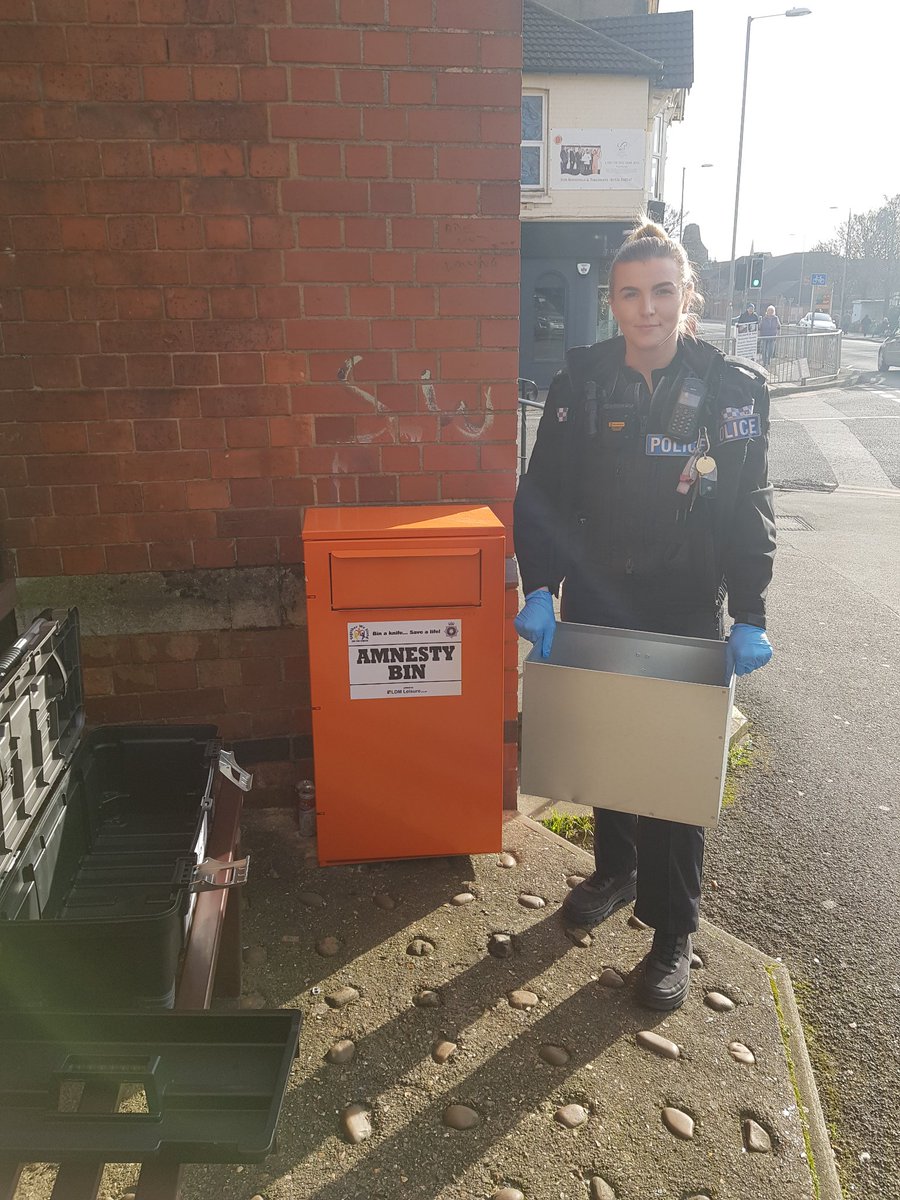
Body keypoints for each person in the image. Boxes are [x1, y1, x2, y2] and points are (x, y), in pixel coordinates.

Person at [513, 220, 776, 1012]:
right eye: (631, 293)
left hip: (685, 602)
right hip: (596, 596)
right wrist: (538, 585)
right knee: (607, 752)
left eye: (663, 290)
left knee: (672, 773)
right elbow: (543, 495)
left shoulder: (729, 389)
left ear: (685, 295)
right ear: (613, 300)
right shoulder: (582, 383)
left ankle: (672, 932)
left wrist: (752, 609)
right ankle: (615, 870)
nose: (647, 308)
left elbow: (747, 505)